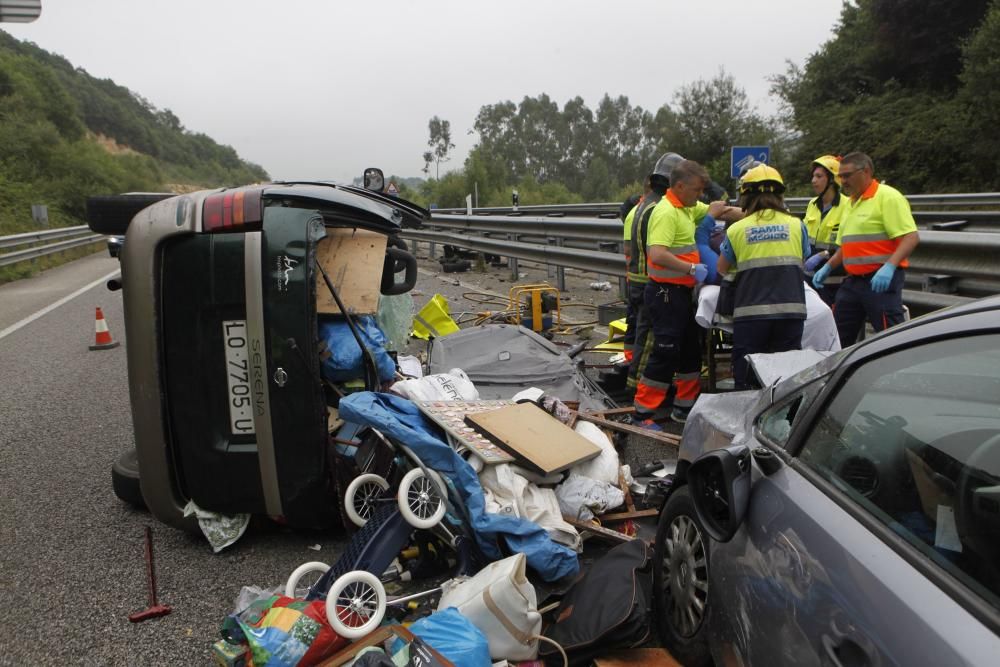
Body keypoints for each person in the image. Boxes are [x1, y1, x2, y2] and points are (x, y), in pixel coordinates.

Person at [634, 160, 726, 429]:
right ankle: (642, 413)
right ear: (680, 186)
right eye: (697, 190)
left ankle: (684, 408)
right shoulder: (666, 213)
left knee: (690, 349)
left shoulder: (686, 207)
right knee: (666, 350)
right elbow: (657, 254)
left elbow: (715, 210)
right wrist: (690, 267)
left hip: (681, 291)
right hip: (664, 292)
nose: (699, 195)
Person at [716, 165, 810, 389]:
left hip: (751, 315)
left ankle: (746, 421)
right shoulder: (797, 226)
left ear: (745, 195)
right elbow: (803, 259)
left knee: (748, 375)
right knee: (785, 377)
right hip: (791, 313)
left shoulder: (738, 229)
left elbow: (722, 268)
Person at [813, 152, 920, 347]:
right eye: (840, 176)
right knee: (837, 336)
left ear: (866, 172)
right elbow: (847, 246)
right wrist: (828, 267)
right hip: (853, 282)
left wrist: (889, 267)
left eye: (847, 175)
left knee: (891, 338)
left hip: (880, 282)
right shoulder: (851, 203)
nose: (843, 181)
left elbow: (910, 237)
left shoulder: (887, 197)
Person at [622, 154, 684, 394]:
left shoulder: (644, 205)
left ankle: (636, 385)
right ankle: (637, 389)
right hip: (651, 282)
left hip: (638, 280)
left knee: (642, 335)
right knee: (648, 340)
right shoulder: (659, 209)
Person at [803, 155, 849, 306]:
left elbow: (846, 244)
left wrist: (822, 255)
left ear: (832, 180)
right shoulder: (812, 205)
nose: (813, 181)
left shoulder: (847, 206)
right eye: (813, 176)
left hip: (834, 283)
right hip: (809, 280)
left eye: (819, 176)